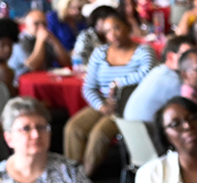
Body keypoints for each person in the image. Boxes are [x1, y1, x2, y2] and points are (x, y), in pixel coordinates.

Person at [64, 13, 153, 172]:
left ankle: (86, 175)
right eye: (108, 31)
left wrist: (118, 83)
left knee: (99, 134)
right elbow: (88, 86)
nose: (113, 34)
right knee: (73, 128)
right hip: (104, 103)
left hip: (128, 108)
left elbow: (149, 73)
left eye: (117, 28)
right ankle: (72, 174)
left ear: (127, 27)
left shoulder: (143, 51)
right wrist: (100, 106)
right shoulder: (100, 53)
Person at [11, 10, 71, 78]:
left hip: (45, 79)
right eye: (36, 23)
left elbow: (66, 62)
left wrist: (55, 42)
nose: (41, 27)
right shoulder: (20, 41)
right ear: (26, 25)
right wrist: (40, 41)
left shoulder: (47, 38)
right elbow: (32, 66)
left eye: (44, 23)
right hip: (23, 83)